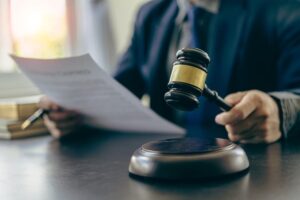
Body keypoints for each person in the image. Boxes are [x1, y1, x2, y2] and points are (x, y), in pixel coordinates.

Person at [40, 0, 300, 144]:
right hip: (164, 169)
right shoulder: (150, 15)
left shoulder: (284, 9)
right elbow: (116, 91)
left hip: (252, 174)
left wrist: (279, 110)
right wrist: (72, 109)